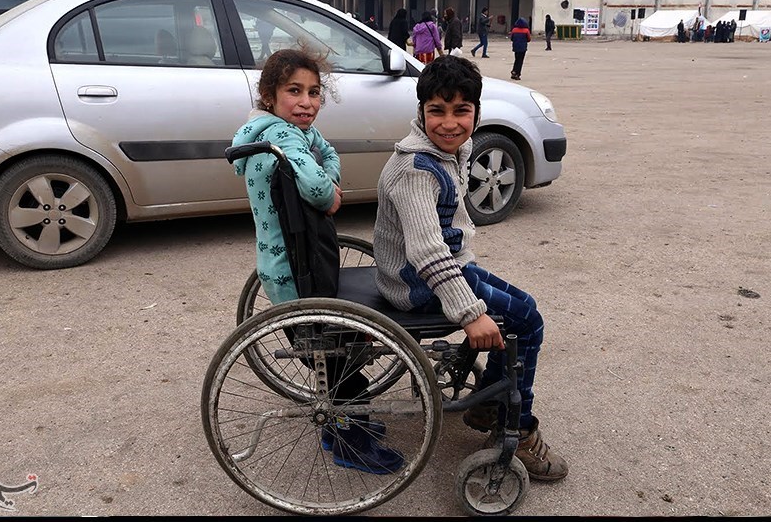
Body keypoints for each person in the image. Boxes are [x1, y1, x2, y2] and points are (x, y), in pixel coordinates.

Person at [372, 55, 569, 482]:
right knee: (527, 321)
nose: (449, 123)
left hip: (440, 267)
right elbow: (428, 253)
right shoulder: (415, 169)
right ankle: (513, 425)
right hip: (418, 282)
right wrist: (471, 314)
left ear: (476, 112)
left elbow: (448, 234)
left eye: (461, 111)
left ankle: (489, 405)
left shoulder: (449, 151)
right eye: (437, 111)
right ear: (421, 111)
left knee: (524, 309)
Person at [230, 47, 404, 475]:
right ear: (269, 95)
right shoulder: (285, 137)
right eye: (294, 91)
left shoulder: (270, 132)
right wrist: (330, 192)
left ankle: (340, 426)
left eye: (314, 92)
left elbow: (329, 155)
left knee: (329, 353)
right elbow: (318, 188)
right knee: (340, 363)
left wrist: (328, 176)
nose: (307, 102)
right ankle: (348, 442)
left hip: (284, 265)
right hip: (299, 269)